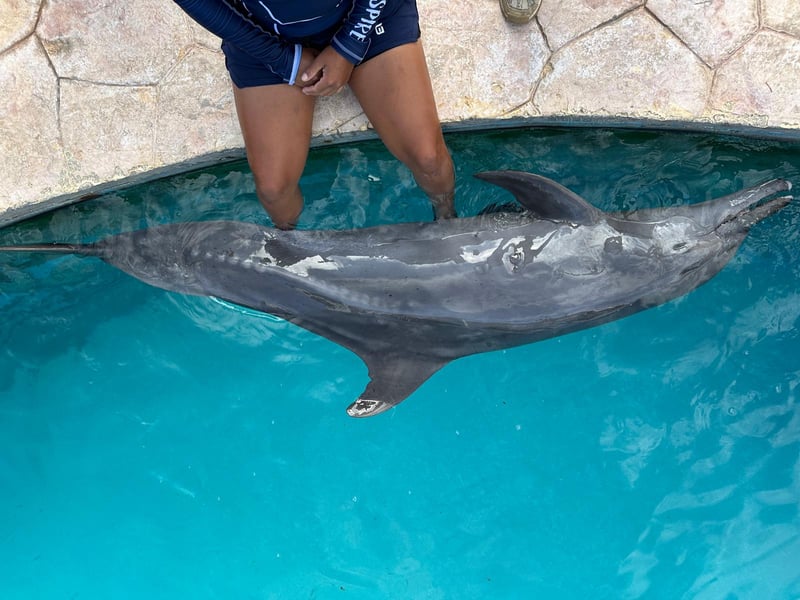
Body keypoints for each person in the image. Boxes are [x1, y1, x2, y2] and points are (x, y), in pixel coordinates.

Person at [171, 0, 456, 229]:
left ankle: (448, 220)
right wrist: (282, 59)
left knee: (428, 157)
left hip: (368, 12)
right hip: (263, 30)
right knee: (274, 190)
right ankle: (294, 258)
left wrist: (349, 43)